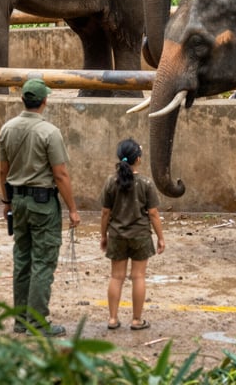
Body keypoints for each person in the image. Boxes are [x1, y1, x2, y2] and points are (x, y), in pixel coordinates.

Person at [0, 78, 81, 336]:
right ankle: (37, 322)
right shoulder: (49, 132)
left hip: (18, 202)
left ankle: (20, 320)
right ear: (45, 100)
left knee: (22, 259)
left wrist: (7, 201)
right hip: (43, 204)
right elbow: (61, 175)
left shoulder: (7, 129)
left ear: (23, 99)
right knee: (43, 262)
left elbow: (3, 171)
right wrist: (73, 209)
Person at [100, 138, 165, 331]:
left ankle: (112, 319)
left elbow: (105, 213)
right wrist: (160, 237)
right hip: (140, 235)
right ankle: (136, 320)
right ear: (139, 159)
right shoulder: (146, 183)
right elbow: (153, 214)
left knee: (116, 277)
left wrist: (104, 235)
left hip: (117, 235)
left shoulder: (111, 181)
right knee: (138, 277)